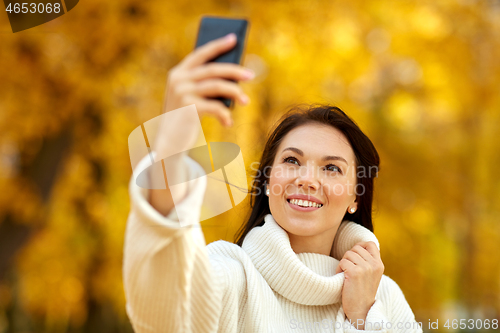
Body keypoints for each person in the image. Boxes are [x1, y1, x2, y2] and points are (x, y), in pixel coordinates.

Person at [123, 33, 423, 332]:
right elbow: (165, 316)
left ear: (356, 196)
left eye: (331, 167)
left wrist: (363, 317)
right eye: (292, 161)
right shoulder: (229, 275)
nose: (307, 179)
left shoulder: (382, 297)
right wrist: (172, 142)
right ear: (267, 180)